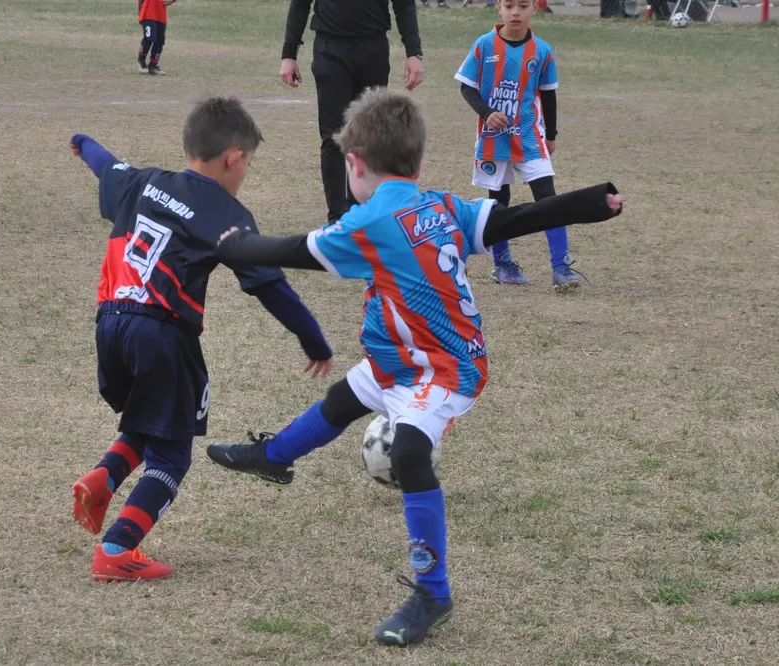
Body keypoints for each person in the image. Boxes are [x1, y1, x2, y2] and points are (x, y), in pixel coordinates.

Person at [205, 89, 622, 645]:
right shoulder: (439, 206)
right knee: (341, 402)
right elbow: (515, 218)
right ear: (418, 163)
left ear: (354, 165)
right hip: (397, 360)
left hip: (446, 369)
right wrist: (590, 202)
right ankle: (272, 457)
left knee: (407, 450)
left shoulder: (369, 221)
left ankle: (433, 592)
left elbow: (288, 250)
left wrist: (233, 246)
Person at [68, 97, 333, 582]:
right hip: (162, 332)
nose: (245, 174)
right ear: (234, 157)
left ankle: (103, 478)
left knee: (152, 418)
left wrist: (84, 143)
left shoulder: (143, 180)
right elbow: (272, 288)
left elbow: (105, 165)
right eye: (247, 164)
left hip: (111, 323)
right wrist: (313, 340)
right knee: (173, 453)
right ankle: (117, 549)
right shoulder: (226, 213)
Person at [454, 0, 578, 290]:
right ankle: (503, 264)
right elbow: (466, 86)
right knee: (499, 201)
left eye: (523, 5)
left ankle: (561, 267)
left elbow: (548, 95)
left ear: (534, 8)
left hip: (529, 135)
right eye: (509, 5)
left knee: (548, 198)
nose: (515, 12)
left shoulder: (542, 51)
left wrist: (552, 135)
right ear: (499, 7)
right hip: (493, 138)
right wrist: (486, 113)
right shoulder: (484, 45)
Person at [279, 0, 426, 222]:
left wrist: (414, 52)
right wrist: (289, 54)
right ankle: (337, 218)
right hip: (330, 48)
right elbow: (300, 3)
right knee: (333, 137)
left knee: (372, 136)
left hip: (373, 48)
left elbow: (404, 4)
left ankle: (363, 213)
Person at [137, 0, 175, 76]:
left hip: (160, 14)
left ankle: (153, 66)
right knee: (149, 37)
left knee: (159, 41)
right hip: (148, 11)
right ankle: (141, 60)